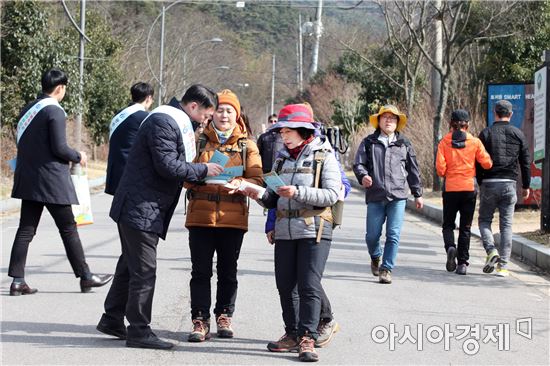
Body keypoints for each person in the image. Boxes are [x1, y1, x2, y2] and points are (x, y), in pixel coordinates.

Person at [96, 84, 224, 350]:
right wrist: (203, 169)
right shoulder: (164, 122)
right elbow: (167, 165)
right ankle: (139, 331)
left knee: (129, 266)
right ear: (193, 106)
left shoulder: (169, 119)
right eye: (206, 115)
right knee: (144, 270)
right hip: (140, 206)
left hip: (144, 205)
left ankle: (111, 318)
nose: (205, 121)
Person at [242, 103, 341, 362]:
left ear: (302, 130)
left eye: (287, 131)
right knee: (286, 285)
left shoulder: (324, 156)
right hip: (285, 230)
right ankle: (292, 333)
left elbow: (333, 194)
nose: (282, 136)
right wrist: (255, 193)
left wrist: (298, 192)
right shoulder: (281, 158)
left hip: (314, 229)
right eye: (281, 131)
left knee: (308, 285)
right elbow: (273, 198)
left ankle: (308, 337)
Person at [8, 68, 113, 296]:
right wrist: (79, 156)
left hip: (28, 178)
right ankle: (85, 277)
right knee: (68, 228)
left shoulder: (28, 109)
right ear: (60, 88)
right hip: (51, 181)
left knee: (26, 230)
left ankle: (17, 280)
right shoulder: (54, 111)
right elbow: (59, 147)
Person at [184, 89, 263, 342]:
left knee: (228, 271)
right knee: (200, 271)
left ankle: (224, 316)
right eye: (220, 110)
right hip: (201, 216)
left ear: (237, 115)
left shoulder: (247, 144)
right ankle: (199, 320)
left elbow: (258, 179)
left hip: (233, 218)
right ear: (212, 113)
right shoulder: (198, 140)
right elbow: (183, 175)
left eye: (230, 110)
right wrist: (202, 175)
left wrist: (240, 183)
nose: (224, 115)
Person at [353, 104, 423, 284]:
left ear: (397, 122)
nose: (389, 120)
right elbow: (358, 164)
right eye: (385, 117)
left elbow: (413, 170)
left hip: (398, 196)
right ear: (379, 121)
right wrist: (364, 176)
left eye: (393, 118)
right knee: (372, 236)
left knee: (393, 234)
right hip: (376, 195)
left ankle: (386, 269)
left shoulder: (404, 143)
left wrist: (418, 193)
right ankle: (375, 256)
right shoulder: (369, 142)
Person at [476, 100, 531, 277]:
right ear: (511, 114)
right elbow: (525, 162)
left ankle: (491, 251)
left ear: (494, 112)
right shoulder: (518, 134)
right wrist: (526, 186)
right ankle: (503, 267)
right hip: (509, 184)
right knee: (506, 225)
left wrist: (480, 181)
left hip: (489, 183)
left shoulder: (485, 133)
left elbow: (477, 161)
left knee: (484, 220)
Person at [436, 109, 492, 275]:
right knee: (465, 228)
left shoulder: (444, 142)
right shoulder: (474, 142)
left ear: (450, 124)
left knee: (448, 224)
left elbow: (440, 169)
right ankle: (462, 264)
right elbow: (487, 163)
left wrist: (449, 172)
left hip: (451, 188)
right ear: (467, 124)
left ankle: (450, 247)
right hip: (469, 189)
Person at [105, 82, 154, 195]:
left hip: (115, 169)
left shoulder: (119, 114)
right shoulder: (144, 117)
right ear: (148, 98)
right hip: (132, 172)